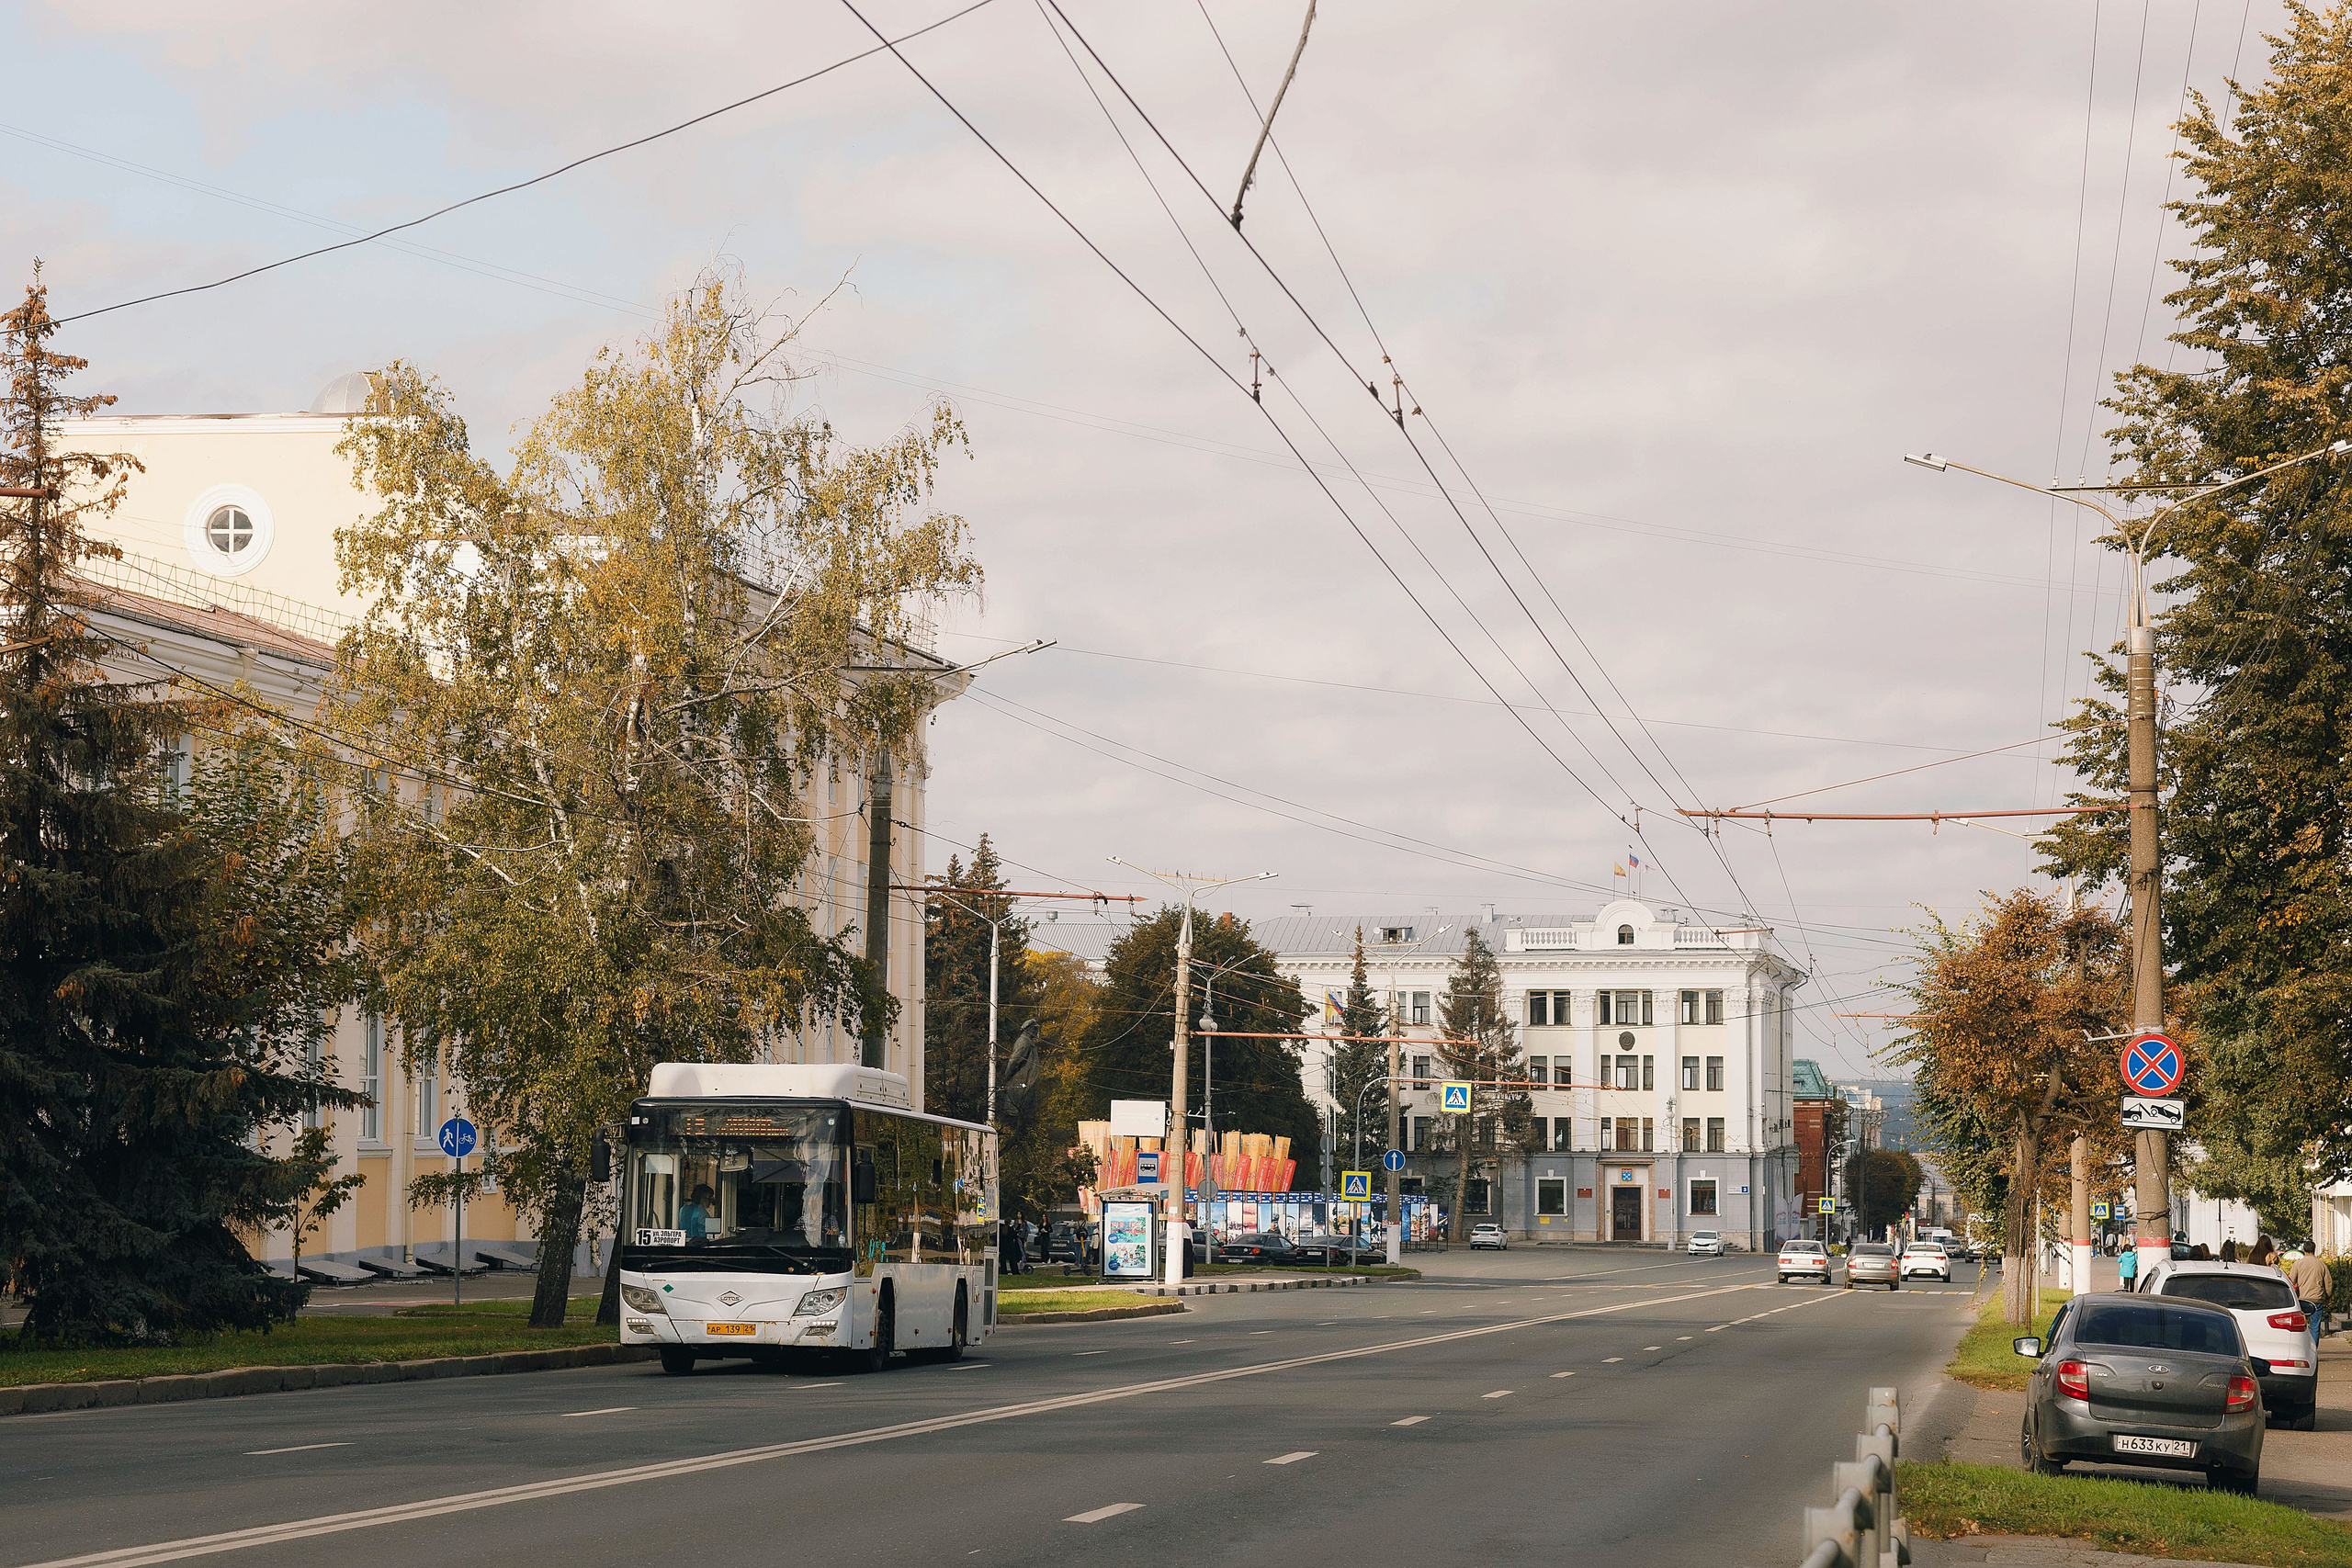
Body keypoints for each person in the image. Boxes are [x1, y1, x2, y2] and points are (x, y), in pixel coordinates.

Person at [2290, 1249, 2332, 1340]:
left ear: (2303, 1250)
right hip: (2317, 1298)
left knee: (2300, 1327)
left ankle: (2303, 1349)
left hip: (2302, 1299)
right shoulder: (2321, 1264)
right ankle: (2314, 1350)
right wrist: (2327, 1296)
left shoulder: (2298, 1264)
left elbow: (2291, 1280)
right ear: (2314, 1250)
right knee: (2315, 1327)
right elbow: (2328, 1283)